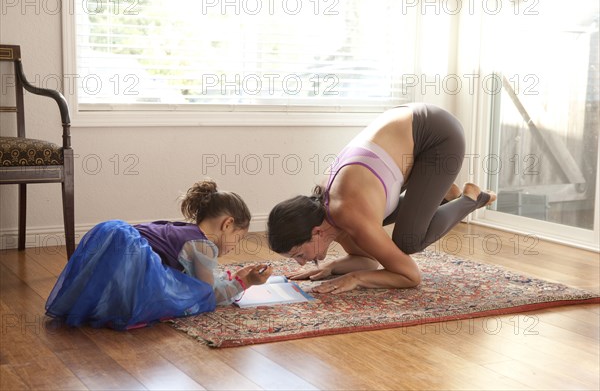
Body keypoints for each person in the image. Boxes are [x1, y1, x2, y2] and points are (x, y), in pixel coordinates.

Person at [267, 103, 496, 294]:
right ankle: (440, 192)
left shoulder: (348, 212)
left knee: (408, 241)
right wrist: (334, 266)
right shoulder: (329, 216)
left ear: (316, 232)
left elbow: (409, 275)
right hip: (408, 134)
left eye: (299, 254)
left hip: (437, 136)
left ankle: (470, 197)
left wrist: (355, 279)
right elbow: (368, 259)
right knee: (379, 222)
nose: (301, 262)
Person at [46, 179, 272, 330]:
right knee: (190, 295)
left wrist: (230, 278)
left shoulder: (184, 231)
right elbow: (208, 294)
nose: (236, 246)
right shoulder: (204, 246)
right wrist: (245, 282)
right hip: (132, 261)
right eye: (239, 237)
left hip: (115, 245)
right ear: (227, 224)